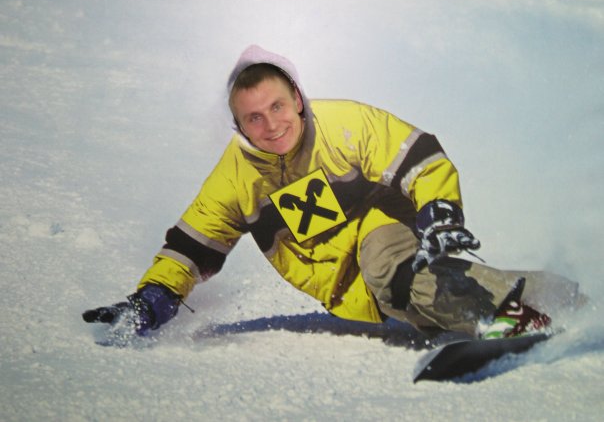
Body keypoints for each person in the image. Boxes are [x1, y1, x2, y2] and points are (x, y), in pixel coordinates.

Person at [83, 45, 583, 340]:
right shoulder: (234, 180)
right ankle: (560, 296)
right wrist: (151, 301)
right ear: (237, 125)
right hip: (347, 285)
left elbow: (419, 158)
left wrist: (439, 211)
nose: (271, 125)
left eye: (278, 107)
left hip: (387, 223)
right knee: (405, 293)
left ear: (297, 100)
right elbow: (190, 248)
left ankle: (512, 321)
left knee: (389, 268)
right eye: (254, 118)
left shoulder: (345, 124)